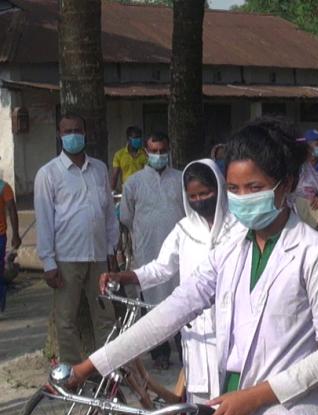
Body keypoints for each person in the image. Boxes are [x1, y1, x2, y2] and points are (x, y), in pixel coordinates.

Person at [67, 117, 318, 415]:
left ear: (288, 186)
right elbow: (173, 310)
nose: (243, 199)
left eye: (255, 187)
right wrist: (91, 366)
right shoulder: (230, 251)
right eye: (234, 188)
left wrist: (255, 397)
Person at [99, 158, 243, 415]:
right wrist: (124, 276)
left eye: (205, 193)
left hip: (233, 332)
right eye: (193, 196)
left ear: (218, 189)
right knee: (200, 408)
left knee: (232, 404)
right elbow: (162, 268)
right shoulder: (184, 229)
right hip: (195, 332)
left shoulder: (239, 228)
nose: (200, 200)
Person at [34, 113, 118, 363]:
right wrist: (48, 263)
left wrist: (112, 250)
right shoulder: (48, 174)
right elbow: (45, 221)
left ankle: (108, 368)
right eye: (67, 131)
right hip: (66, 259)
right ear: (60, 136)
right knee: (66, 319)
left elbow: (109, 214)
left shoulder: (99, 169)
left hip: (99, 257)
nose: (73, 135)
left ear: (85, 133)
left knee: (105, 316)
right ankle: (72, 372)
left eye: (77, 130)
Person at [120, 132, 184, 369]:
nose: (158, 155)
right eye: (154, 151)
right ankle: (160, 354)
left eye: (162, 151)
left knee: (181, 299)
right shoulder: (133, 183)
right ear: (146, 152)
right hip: (148, 252)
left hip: (179, 254)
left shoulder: (180, 179)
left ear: (169, 150)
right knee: (151, 305)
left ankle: (184, 348)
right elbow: (126, 217)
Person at [0, 171, 21, 313]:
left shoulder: (3, 187)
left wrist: (15, 235)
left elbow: (12, 209)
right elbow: (12, 209)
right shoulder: (3, 187)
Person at [111, 125, 147, 192]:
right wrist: (112, 191)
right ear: (128, 139)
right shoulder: (119, 155)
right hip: (126, 191)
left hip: (142, 191)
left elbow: (150, 174)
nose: (138, 140)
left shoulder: (145, 154)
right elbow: (115, 176)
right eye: (136, 138)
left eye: (139, 137)